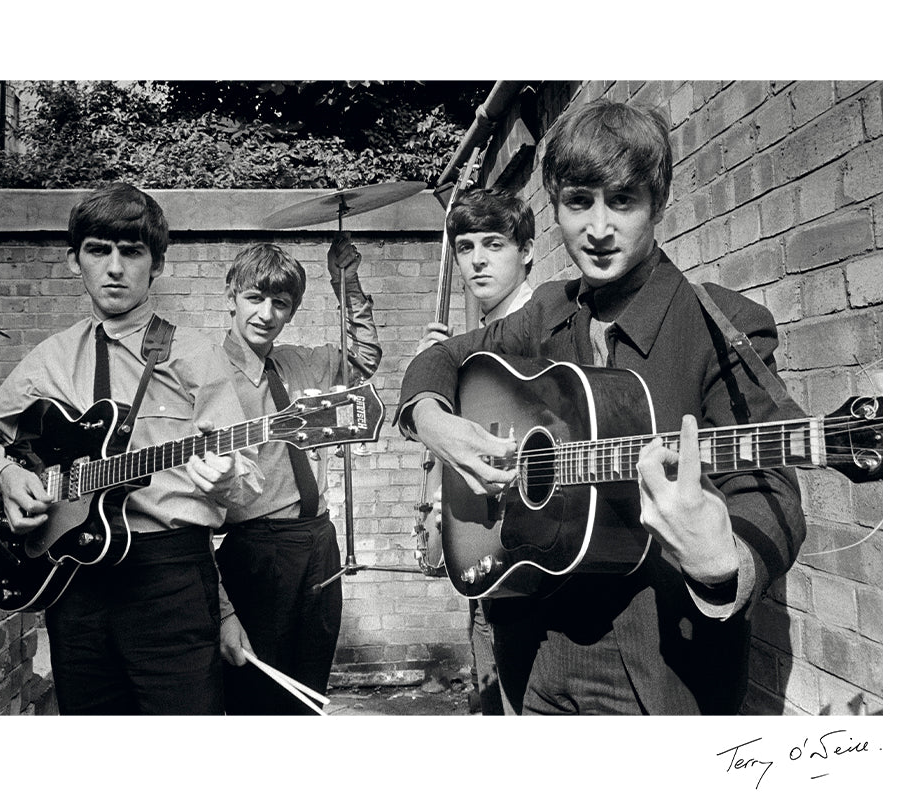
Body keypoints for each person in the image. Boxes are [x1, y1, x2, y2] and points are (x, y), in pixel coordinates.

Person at [396, 100, 806, 715]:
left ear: (659, 205)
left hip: (663, 667)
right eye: (579, 201)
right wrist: (434, 422)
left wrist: (725, 561)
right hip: (532, 652)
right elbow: (444, 360)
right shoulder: (544, 315)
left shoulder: (722, 324)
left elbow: (769, 483)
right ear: (557, 207)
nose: (599, 228)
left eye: (623, 201)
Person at [0, 182, 263, 715]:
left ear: (156, 264)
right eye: (98, 250)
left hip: (171, 581)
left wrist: (227, 474)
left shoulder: (194, 356)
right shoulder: (50, 358)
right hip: (74, 580)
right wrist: (5, 478)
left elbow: (247, 473)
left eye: (132, 252)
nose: (115, 267)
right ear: (76, 261)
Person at [215, 235, 381, 714]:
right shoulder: (204, 373)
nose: (266, 313)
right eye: (254, 298)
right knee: (258, 695)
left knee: (310, 689)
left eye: (280, 304)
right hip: (257, 549)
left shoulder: (301, 362)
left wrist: (345, 281)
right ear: (230, 297)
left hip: (318, 543)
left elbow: (364, 361)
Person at [415, 187, 540, 715]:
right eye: (465, 248)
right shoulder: (471, 344)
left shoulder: (546, 329)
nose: (478, 260)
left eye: (494, 244)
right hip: (486, 552)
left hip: (534, 561)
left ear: (527, 250)